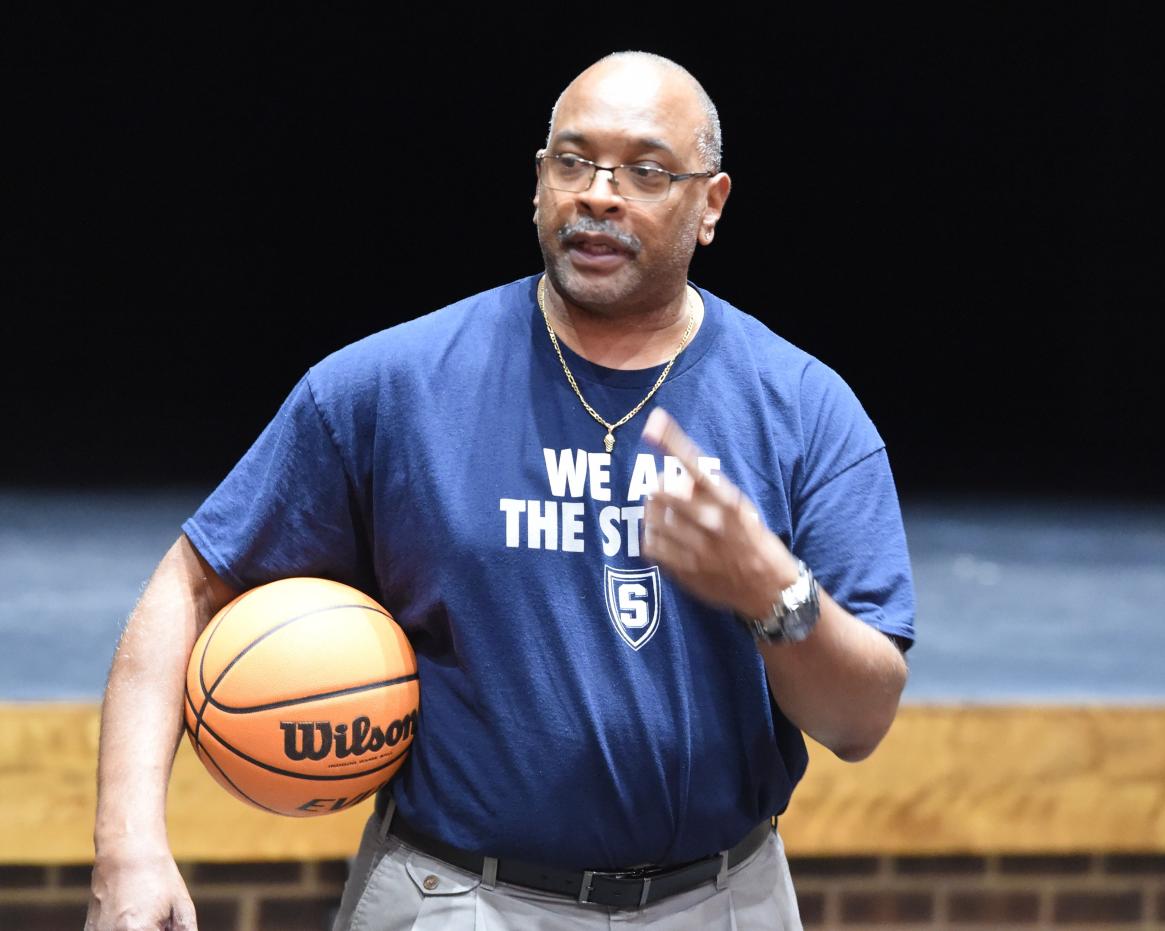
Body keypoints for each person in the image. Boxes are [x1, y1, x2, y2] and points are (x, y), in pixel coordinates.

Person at [86, 51, 915, 930]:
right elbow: (190, 583)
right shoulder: (393, 386)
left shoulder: (802, 407)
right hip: (455, 896)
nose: (598, 192)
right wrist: (128, 846)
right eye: (572, 160)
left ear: (710, 205)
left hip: (723, 898)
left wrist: (769, 589)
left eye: (644, 170)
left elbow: (860, 721)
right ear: (536, 185)